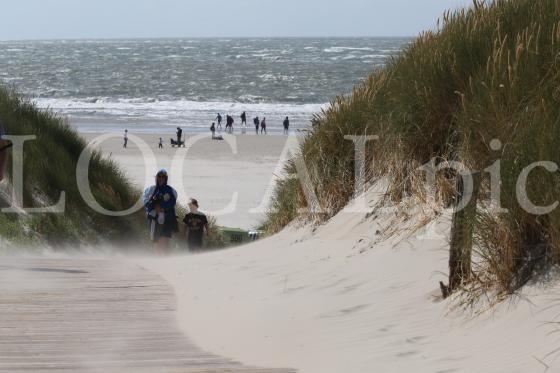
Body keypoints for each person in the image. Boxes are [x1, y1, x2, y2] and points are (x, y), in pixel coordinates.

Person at [142, 169, 178, 255]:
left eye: (163, 177)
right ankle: (159, 258)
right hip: (154, 217)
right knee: (156, 240)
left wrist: (163, 208)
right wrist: (154, 206)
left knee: (165, 239)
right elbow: (145, 201)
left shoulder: (171, 190)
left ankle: (166, 258)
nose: (161, 178)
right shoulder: (150, 189)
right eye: (159, 176)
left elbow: (172, 202)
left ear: (166, 178)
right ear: (156, 177)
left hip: (167, 217)